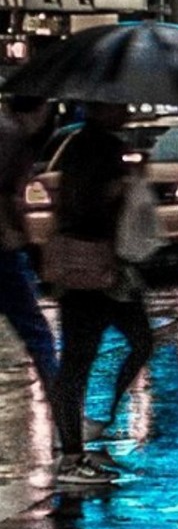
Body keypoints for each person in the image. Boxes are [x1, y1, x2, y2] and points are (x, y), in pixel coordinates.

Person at [42, 104, 158, 484]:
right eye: (118, 106)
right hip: (89, 266)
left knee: (138, 341)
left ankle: (92, 425)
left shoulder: (104, 145)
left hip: (111, 268)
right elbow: (81, 204)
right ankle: (72, 453)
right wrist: (120, 189)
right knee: (79, 358)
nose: (124, 110)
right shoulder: (86, 146)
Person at [0, 96, 58, 414]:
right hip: (4, 250)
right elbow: (7, 193)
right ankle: (67, 421)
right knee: (38, 334)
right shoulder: (11, 137)